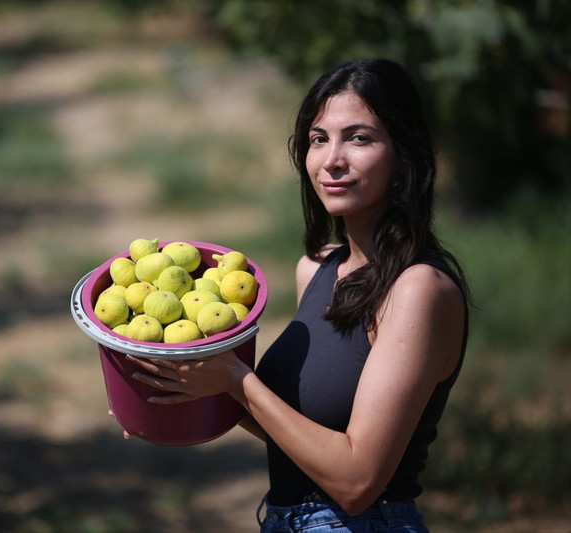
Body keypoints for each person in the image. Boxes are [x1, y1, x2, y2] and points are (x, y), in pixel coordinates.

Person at [124, 58, 469, 533]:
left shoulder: (418, 290)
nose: (332, 160)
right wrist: (169, 396)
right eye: (319, 138)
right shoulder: (317, 269)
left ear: (404, 154)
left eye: (360, 138)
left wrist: (238, 380)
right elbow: (299, 436)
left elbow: (356, 482)